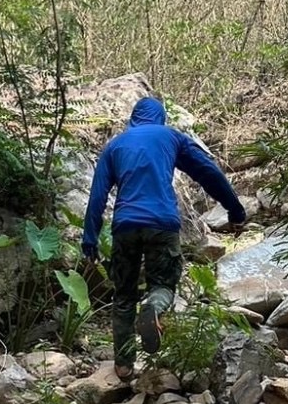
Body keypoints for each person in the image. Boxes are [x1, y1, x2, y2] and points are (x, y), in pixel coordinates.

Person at [81, 96, 246, 380]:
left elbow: (97, 196)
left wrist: (90, 238)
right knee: (163, 285)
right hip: (162, 224)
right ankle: (153, 308)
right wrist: (235, 209)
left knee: (123, 295)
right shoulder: (172, 137)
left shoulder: (115, 146)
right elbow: (208, 172)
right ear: (161, 117)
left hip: (125, 226)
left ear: (133, 118)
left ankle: (123, 366)